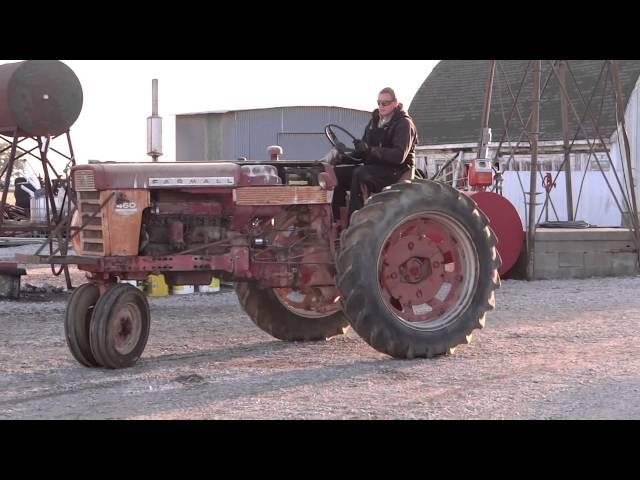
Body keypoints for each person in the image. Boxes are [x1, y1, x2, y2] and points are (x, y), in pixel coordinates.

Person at [331, 87, 418, 224]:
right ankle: (336, 220)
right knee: (337, 173)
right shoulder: (374, 122)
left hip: (397, 170)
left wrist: (370, 150)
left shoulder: (404, 124)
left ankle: (355, 222)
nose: (381, 106)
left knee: (360, 173)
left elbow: (399, 155)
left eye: (385, 103)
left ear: (395, 103)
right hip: (376, 167)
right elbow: (363, 152)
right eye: (379, 103)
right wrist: (343, 157)